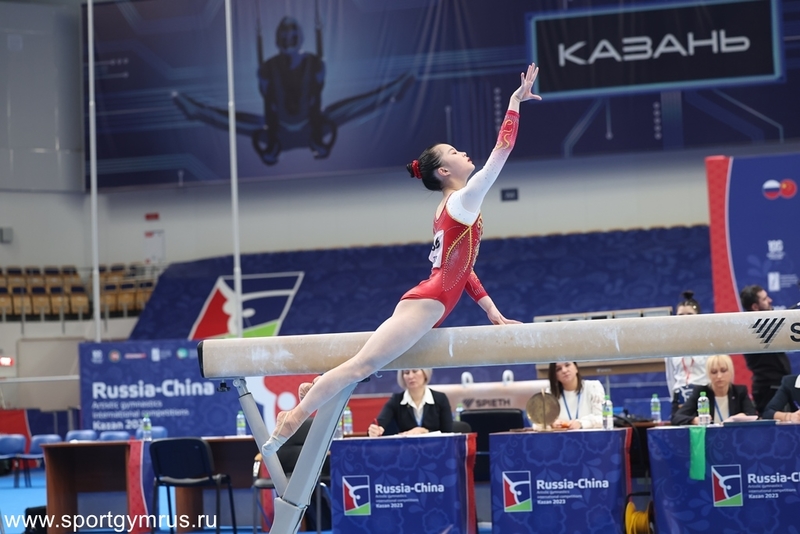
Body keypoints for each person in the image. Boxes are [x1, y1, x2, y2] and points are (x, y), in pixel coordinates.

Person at [262, 63, 542, 456]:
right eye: (454, 152)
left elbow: (464, 270)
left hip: (431, 299)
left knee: (362, 364)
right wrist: (514, 102)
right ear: (444, 171)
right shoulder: (463, 200)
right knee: (362, 368)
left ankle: (318, 386)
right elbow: (503, 150)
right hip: (430, 300)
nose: (464, 152)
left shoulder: (451, 207)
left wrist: (493, 313)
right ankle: (294, 416)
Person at [740, 285, 791, 415]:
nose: (770, 300)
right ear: (755, 307)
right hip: (767, 389)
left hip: (780, 385)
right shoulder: (750, 328)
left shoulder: (771, 324)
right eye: (764, 299)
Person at [671, 354, 757, 425]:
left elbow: (753, 415)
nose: (719, 376)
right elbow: (677, 417)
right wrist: (694, 420)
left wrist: (743, 416)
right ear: (708, 374)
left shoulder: (739, 392)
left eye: (723, 371)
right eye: (714, 372)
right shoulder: (701, 392)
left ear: (731, 372)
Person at [368, 368, 453, 437]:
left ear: (425, 373)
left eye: (415, 371)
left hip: (436, 448)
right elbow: (380, 423)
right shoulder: (396, 400)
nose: (411, 376)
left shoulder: (440, 399)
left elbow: (448, 433)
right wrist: (374, 430)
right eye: (406, 372)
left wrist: (425, 431)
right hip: (406, 449)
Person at [664, 290, 709, 416]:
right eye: (680, 315)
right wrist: (674, 398)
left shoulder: (708, 342)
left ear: (698, 316)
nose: (685, 319)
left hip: (703, 394)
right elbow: (670, 377)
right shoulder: (670, 345)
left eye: (689, 314)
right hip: (680, 395)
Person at [544, 362, 605, 429]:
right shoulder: (550, 393)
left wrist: (581, 423)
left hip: (590, 435)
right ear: (555, 376)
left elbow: (602, 418)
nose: (564, 370)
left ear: (576, 368)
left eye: (567, 365)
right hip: (562, 435)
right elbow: (539, 422)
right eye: (558, 369)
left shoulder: (593, 387)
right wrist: (551, 423)